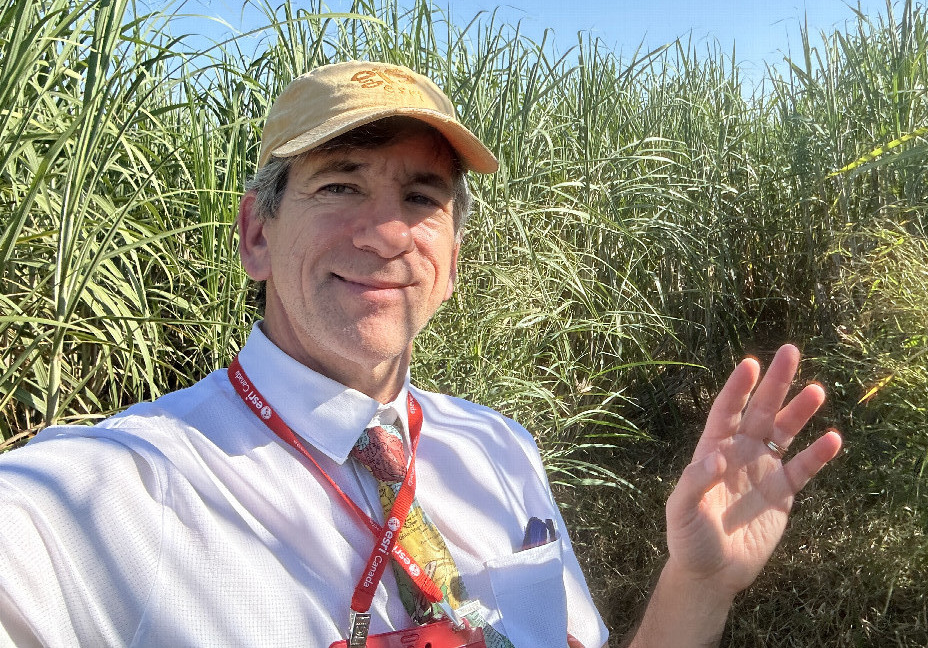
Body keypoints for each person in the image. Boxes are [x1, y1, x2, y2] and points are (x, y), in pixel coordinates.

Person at [0, 61, 842, 648]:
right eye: (340, 184)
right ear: (257, 233)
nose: (387, 233)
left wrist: (697, 584)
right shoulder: (102, 492)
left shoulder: (498, 450)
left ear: (451, 261)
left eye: (422, 197)